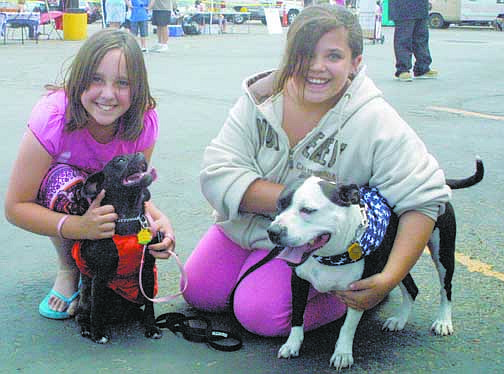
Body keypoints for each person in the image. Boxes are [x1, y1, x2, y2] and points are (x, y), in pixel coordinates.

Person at [182, 4, 451, 337]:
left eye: (333, 56)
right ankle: (261, 270)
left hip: (321, 248)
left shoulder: (375, 120)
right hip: (246, 227)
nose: (316, 67)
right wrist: (300, 204)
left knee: (260, 314)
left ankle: (353, 297)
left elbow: (423, 198)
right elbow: (217, 170)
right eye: (304, 54)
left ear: (356, 63)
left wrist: (387, 278)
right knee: (197, 291)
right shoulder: (259, 99)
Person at [4, 29, 176, 320]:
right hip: (68, 196)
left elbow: (133, 190)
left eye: (122, 83)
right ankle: (69, 267)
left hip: (103, 197)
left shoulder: (144, 120)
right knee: (64, 180)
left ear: (137, 88)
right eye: (96, 79)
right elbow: (15, 207)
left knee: (126, 212)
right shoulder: (53, 117)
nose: (108, 94)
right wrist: (78, 227)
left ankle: (99, 270)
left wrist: (159, 221)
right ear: (79, 77)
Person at [389, 0, 438, 82]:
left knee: (421, 38)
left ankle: (422, 68)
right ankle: (403, 69)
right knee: (404, 39)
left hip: (421, 7)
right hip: (403, 7)